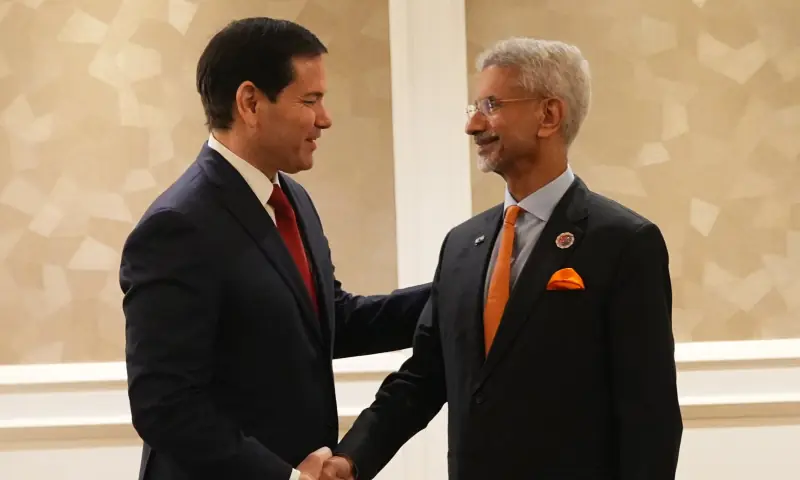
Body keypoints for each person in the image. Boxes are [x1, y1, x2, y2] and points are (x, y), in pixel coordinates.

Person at [321, 37, 683, 480]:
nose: (472, 125)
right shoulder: (461, 244)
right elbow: (424, 376)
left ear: (549, 115)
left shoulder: (624, 242)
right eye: (473, 107)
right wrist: (351, 459)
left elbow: (650, 414)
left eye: (491, 105)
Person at [119, 17, 430, 480]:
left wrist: (458, 289)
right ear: (250, 102)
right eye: (310, 100)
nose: (324, 119)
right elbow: (165, 405)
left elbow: (329, 322)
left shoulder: (292, 199)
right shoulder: (177, 226)